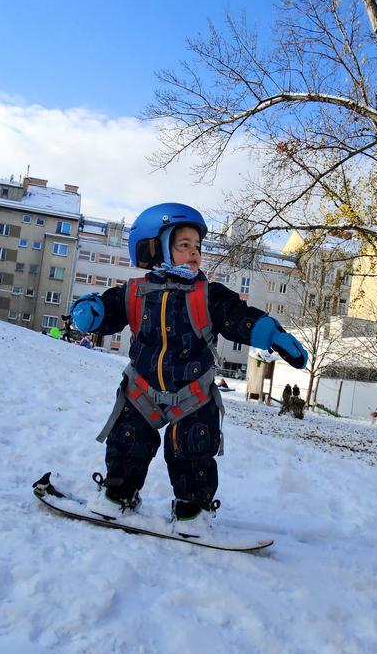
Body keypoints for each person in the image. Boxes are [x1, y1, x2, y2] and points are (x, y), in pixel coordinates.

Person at [69, 202, 307, 535]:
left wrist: (271, 334)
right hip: (142, 392)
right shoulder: (134, 292)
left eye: (197, 247)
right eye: (184, 245)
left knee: (194, 450)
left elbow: (236, 316)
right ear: (156, 248)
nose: (195, 253)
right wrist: (91, 312)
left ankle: (192, 507)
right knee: (127, 441)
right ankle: (118, 491)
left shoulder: (208, 295)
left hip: (192, 395)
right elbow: (109, 311)